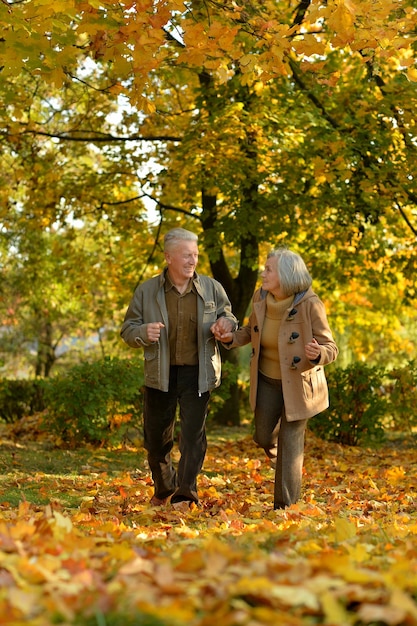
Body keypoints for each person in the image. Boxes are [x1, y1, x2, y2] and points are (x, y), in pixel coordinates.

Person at [212, 247, 338, 510]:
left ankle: (286, 508)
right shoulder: (261, 296)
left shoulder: (310, 304)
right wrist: (230, 338)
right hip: (267, 380)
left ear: (285, 274)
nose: (263, 272)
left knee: (291, 448)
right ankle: (283, 459)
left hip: (299, 386)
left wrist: (318, 353)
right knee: (263, 437)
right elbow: (249, 331)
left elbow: (331, 348)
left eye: (269, 269)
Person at [120, 227, 238, 509]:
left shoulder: (211, 287)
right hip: (159, 373)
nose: (192, 260)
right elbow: (127, 329)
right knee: (156, 441)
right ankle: (164, 487)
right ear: (168, 257)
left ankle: (186, 493)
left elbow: (228, 315)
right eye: (186, 255)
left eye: (195, 255)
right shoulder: (148, 290)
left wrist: (226, 325)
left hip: (197, 373)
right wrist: (142, 332)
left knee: (193, 438)